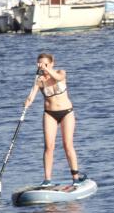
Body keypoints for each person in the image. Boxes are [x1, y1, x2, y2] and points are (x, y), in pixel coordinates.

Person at [24, 53, 87, 187]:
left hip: (66, 113)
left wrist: (47, 69)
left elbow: (58, 77)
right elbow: (32, 95)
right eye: (39, 64)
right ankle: (47, 180)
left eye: (45, 64)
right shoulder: (39, 80)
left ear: (52, 63)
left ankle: (75, 178)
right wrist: (27, 102)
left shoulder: (61, 72)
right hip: (49, 114)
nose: (42, 67)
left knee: (67, 145)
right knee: (49, 146)